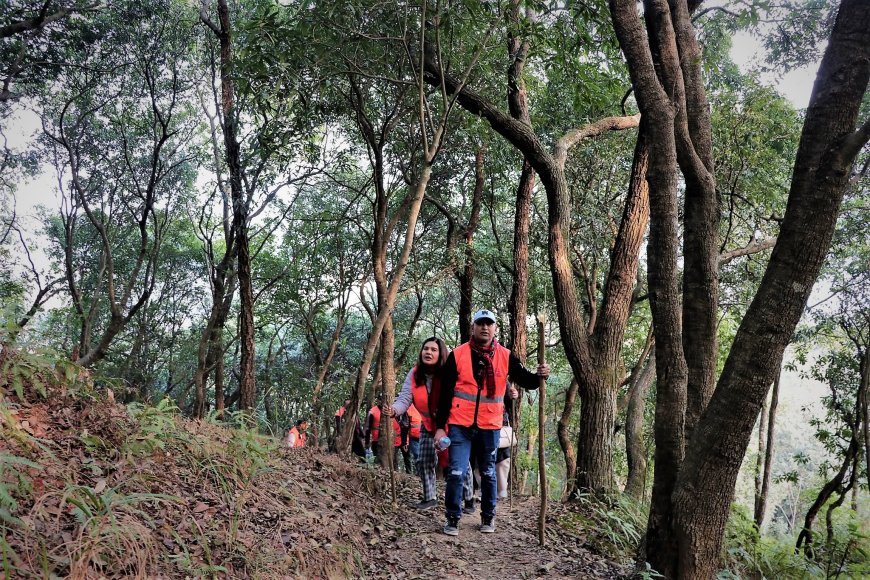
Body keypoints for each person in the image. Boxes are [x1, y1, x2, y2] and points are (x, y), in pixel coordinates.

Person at [434, 308, 549, 535]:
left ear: (495, 328)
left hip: (490, 425)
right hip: (460, 425)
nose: (484, 327)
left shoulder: (505, 356)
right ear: (473, 327)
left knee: (488, 473)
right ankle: (452, 518)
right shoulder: (457, 355)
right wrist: (439, 427)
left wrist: (541, 374)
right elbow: (445, 394)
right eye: (480, 323)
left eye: (489, 324)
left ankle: (488, 517)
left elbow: (526, 380)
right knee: (456, 472)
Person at [390, 337, 475, 511]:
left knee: (459, 462)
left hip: (452, 424)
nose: (428, 352)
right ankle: (430, 497)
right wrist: (393, 410)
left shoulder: (449, 372)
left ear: (441, 353)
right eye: (426, 348)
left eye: (433, 350)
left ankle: (468, 499)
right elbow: (405, 398)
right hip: (428, 425)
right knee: (424, 460)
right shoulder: (414, 374)